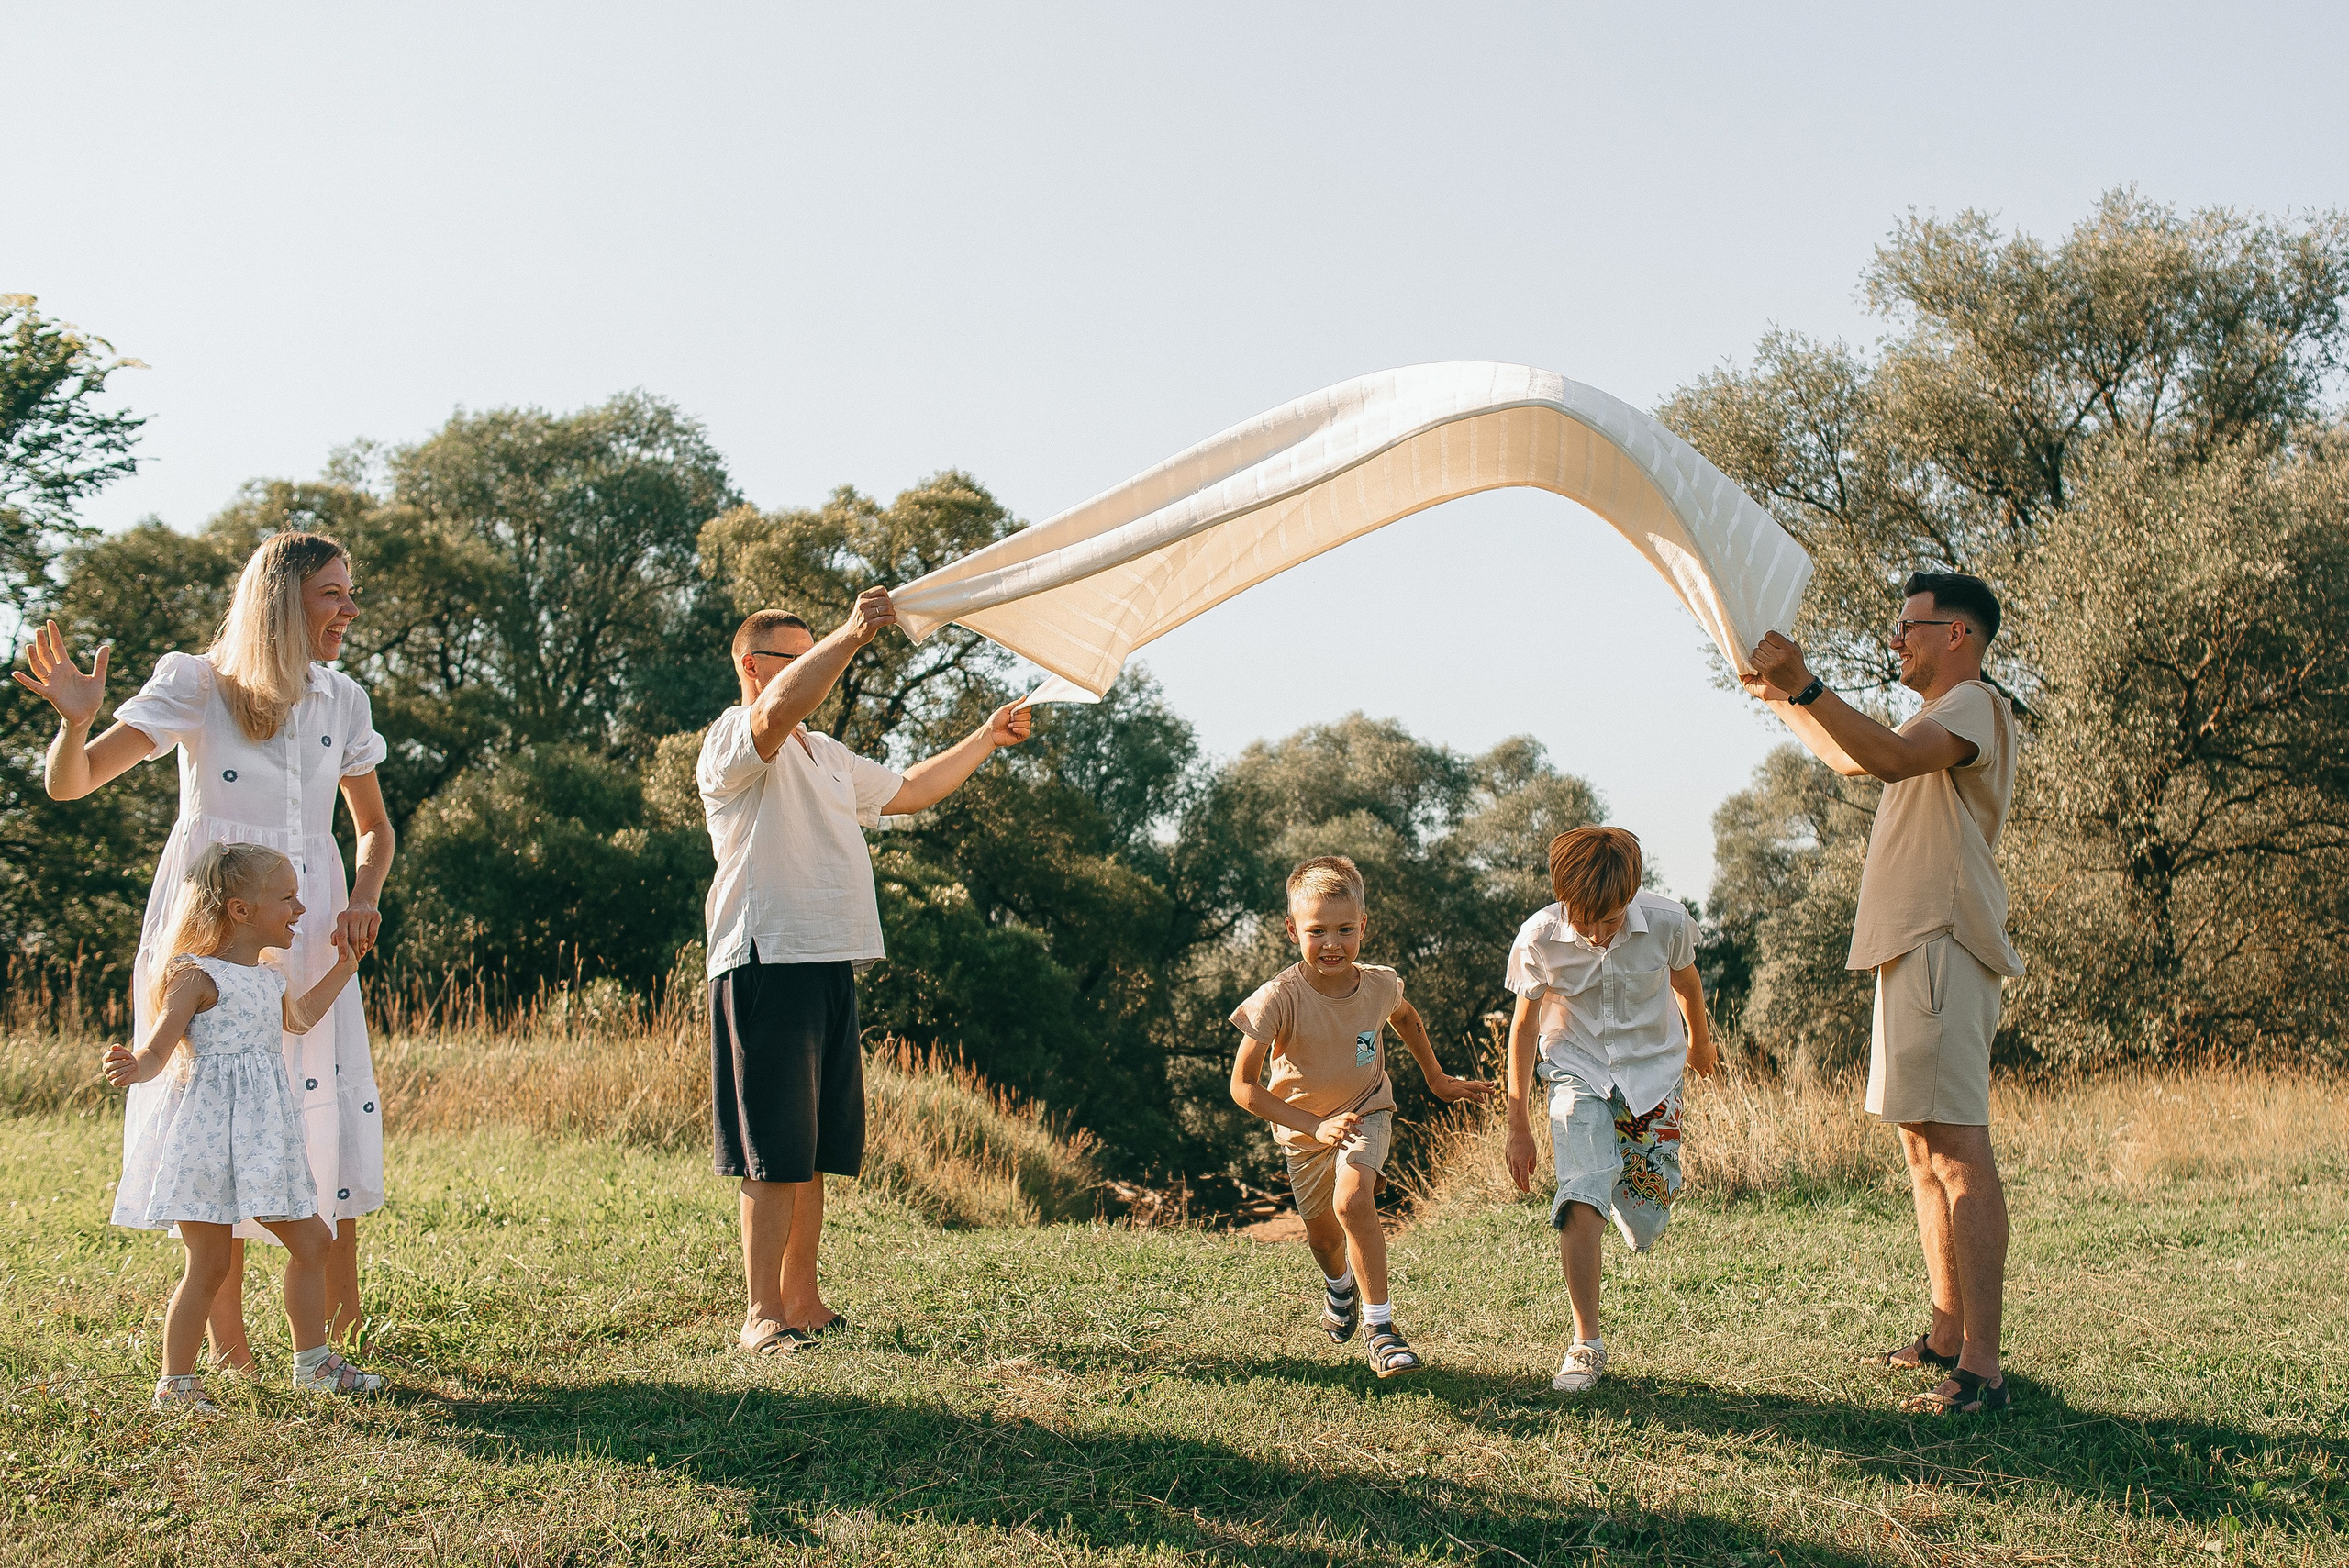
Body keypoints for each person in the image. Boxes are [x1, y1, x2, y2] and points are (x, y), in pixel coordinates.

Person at [14, 531, 394, 1371]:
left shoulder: (344, 699)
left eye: (348, 591)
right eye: (332, 593)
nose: (349, 609)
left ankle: (334, 1336)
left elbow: (373, 829)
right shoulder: (196, 682)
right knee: (216, 1116)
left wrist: (363, 897)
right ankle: (229, 1352)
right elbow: (71, 783)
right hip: (213, 927)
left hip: (308, 917)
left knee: (315, 1109)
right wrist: (76, 723)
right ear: (282, 598)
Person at [699, 588, 1034, 1354]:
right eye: (802, 653)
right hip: (764, 956)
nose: (826, 665)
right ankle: (761, 1316)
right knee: (771, 1151)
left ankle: (803, 1302)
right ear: (756, 666)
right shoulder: (734, 738)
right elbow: (778, 711)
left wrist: (984, 737)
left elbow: (911, 790)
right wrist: (850, 637)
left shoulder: (827, 754)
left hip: (825, 959)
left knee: (811, 1147)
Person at [1744, 570, 2021, 1417]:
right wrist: (1786, 699)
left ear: (1957, 637)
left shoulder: (1973, 704)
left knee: (1957, 1147)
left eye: (1909, 626)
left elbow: (1894, 757)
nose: (1895, 639)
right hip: (1912, 948)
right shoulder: (1930, 719)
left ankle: (1981, 1366)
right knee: (1919, 1146)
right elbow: (1856, 754)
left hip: (1943, 940)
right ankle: (1945, 1332)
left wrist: (1809, 682)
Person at [106, 841, 384, 1407]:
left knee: (314, 1242)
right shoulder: (194, 977)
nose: (300, 910)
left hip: (264, 1140)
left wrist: (345, 969)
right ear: (240, 910)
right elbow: (160, 1052)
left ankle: (312, 1365)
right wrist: (136, 1067)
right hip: (208, 1142)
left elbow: (301, 1019)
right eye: (287, 898)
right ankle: (176, 1384)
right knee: (207, 1264)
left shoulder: (267, 977)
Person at [1228, 855, 1496, 1378]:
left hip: (1366, 1109)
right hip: (1304, 1131)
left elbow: (1407, 1018)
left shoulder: (1379, 985)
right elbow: (1243, 1087)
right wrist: (1312, 1126)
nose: (1332, 943)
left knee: (1353, 1200)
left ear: (1364, 927)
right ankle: (1339, 1287)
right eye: (1317, 931)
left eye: (1345, 929)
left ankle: (1380, 1329)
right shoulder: (1278, 999)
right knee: (1324, 1239)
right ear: (1291, 930)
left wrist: (1438, 1080)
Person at [1501, 828, 1716, 1394]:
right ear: (1562, 896)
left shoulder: (1668, 923)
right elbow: (1523, 1031)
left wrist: (1701, 1041)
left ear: (1634, 892)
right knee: (1582, 1190)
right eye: (1585, 918)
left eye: (1611, 918)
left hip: (1652, 1072)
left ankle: (1622, 1197)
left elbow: (1687, 983)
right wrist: (1518, 1122)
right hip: (1577, 1068)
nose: (1596, 933)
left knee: (1647, 1215)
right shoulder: (1540, 938)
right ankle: (1586, 1344)